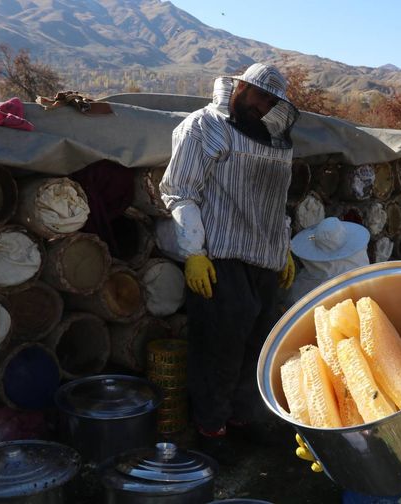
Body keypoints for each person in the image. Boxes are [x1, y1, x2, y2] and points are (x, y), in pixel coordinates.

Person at [159, 62, 300, 460]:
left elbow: (276, 200)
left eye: (272, 101)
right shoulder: (202, 126)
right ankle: (211, 429)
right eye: (259, 96)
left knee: (259, 343)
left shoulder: (275, 139)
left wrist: (283, 247)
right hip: (220, 256)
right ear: (239, 87)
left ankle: (244, 419)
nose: (263, 106)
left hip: (265, 257)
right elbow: (180, 192)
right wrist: (194, 254)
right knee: (219, 347)